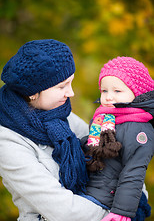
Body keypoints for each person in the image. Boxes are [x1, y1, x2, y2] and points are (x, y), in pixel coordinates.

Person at [0, 39, 109, 221]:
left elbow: (111, 159)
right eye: (62, 86)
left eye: (71, 83)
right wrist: (119, 211)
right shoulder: (7, 141)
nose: (71, 93)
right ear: (32, 92)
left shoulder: (60, 114)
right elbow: (64, 211)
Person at [81, 56, 154, 221]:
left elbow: (133, 173)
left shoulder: (138, 129)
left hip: (108, 202)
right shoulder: (103, 118)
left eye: (117, 91)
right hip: (89, 190)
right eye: (104, 90)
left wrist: (121, 212)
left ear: (136, 94)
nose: (108, 96)